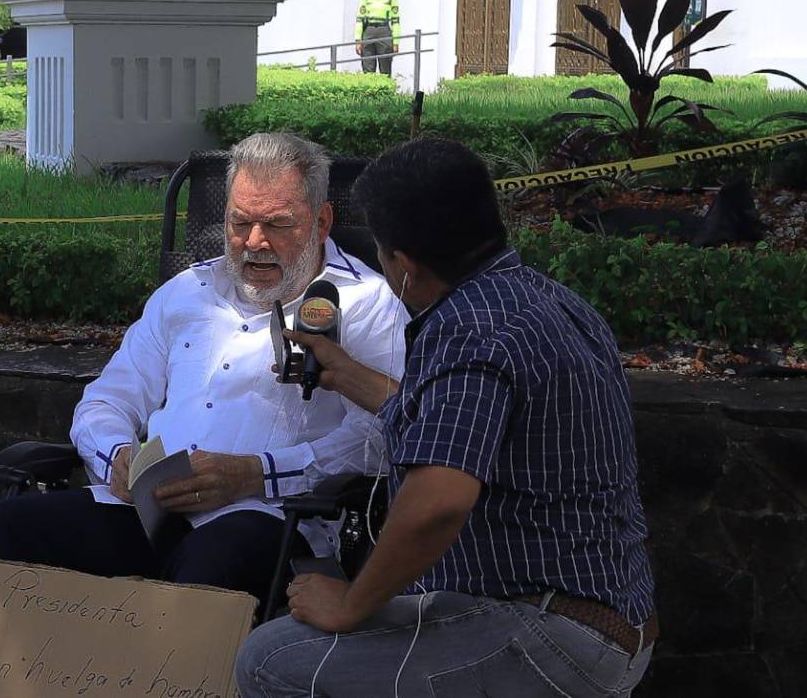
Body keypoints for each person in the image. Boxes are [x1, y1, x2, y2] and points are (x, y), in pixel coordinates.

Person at [236, 138, 657, 697]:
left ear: (404, 268)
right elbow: (450, 427)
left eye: (382, 254)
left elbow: (439, 502)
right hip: (613, 618)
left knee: (270, 657)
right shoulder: (548, 301)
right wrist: (343, 373)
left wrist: (351, 604)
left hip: (550, 633)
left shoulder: (466, 329)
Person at [0, 133, 409, 614]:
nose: (255, 242)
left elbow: (380, 438)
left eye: (278, 224)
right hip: (148, 510)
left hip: (269, 516)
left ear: (321, 223)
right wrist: (117, 455)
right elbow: (106, 400)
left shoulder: (368, 304)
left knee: (205, 577)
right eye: (240, 223)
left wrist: (256, 475)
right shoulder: (186, 292)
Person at [353, 0, 400, 76]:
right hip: (368, 30)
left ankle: (386, 91)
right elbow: (359, 19)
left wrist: (396, 41)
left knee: (385, 67)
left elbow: (395, 21)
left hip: (384, 30)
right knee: (368, 66)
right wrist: (358, 40)